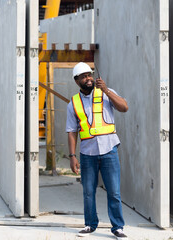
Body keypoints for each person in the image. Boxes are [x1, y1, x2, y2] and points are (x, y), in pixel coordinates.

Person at [66, 62, 129, 239]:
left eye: (89, 75)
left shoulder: (106, 93)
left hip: (109, 151)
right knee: (88, 191)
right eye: (84, 76)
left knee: (114, 191)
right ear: (76, 80)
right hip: (87, 154)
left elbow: (124, 107)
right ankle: (90, 224)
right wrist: (72, 156)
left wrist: (107, 90)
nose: (88, 78)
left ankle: (117, 227)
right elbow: (72, 131)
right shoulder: (74, 103)